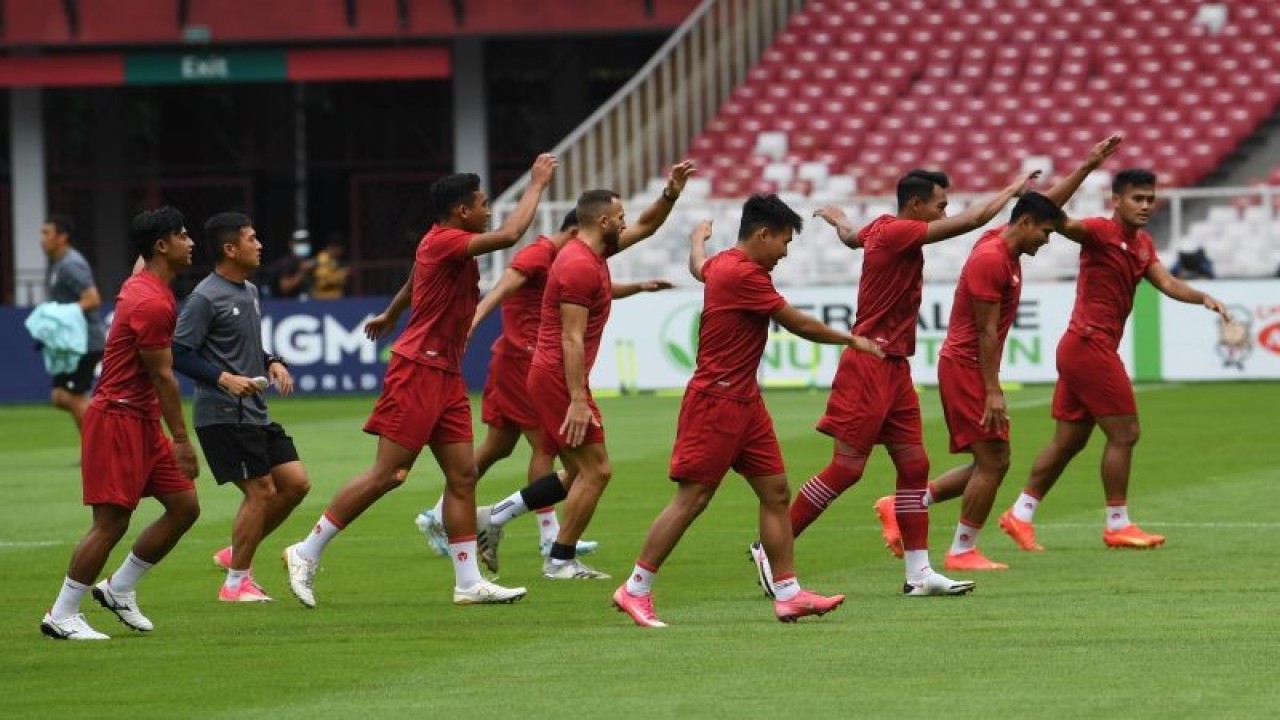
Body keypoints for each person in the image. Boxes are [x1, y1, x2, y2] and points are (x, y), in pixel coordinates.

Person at [282, 153, 558, 608]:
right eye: (483, 203)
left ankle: (467, 583)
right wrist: (537, 184)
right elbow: (511, 235)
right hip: (419, 369)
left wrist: (392, 312)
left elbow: (415, 278)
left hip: (446, 374)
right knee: (389, 473)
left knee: (464, 476)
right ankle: (305, 550)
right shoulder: (447, 241)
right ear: (461, 211)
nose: (488, 210)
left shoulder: (442, 243)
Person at [755, 167, 1039, 598]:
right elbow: (974, 221)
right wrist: (1013, 189)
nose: (945, 211)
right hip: (868, 362)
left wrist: (838, 220)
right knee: (847, 468)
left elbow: (853, 238)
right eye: (939, 204)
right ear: (915, 205)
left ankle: (919, 574)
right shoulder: (900, 232)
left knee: (914, 467)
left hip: (894, 366)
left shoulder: (881, 229)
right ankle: (772, 543)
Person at [613, 196, 883, 628]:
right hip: (716, 402)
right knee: (693, 498)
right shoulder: (744, 274)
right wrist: (852, 340)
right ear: (762, 234)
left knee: (775, 492)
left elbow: (697, 266)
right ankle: (635, 588)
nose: (785, 252)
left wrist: (696, 239)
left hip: (746, 403)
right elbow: (798, 323)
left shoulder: (721, 263)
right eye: (784, 242)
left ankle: (789, 593)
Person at [415, 161, 694, 570]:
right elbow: (567, 333)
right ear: (600, 222)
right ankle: (557, 555)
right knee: (590, 470)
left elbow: (648, 226)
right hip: (548, 372)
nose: (626, 222)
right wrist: (578, 397)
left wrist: (670, 193)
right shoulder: (564, 259)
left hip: (547, 370)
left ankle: (494, 517)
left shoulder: (592, 253)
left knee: (557, 462)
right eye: (619, 217)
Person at [878, 137, 1122, 571]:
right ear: (1025, 224)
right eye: (1045, 232)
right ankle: (961, 550)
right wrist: (993, 391)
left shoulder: (1005, 241)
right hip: (968, 367)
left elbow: (1044, 205)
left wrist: (1087, 165)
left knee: (989, 460)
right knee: (995, 460)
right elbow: (987, 332)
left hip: (969, 366)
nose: (1048, 239)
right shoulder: (991, 259)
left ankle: (904, 506)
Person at [998, 168, 1230, 552]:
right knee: (1125, 433)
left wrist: (1202, 297)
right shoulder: (1098, 231)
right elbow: (1057, 218)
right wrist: (1087, 165)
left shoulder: (1142, 244)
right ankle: (1117, 524)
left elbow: (1169, 283)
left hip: (1084, 347)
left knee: (1069, 441)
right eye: (1137, 198)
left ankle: (1020, 514)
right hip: (1089, 346)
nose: (1145, 205)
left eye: (1150, 199)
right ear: (1116, 201)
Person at [39, 207, 201, 640]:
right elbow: (162, 375)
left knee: (185, 507)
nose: (191, 242)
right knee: (111, 524)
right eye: (183, 235)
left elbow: (136, 272)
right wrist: (182, 440)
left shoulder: (143, 283)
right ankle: (62, 613)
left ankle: (119, 588)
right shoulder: (151, 301)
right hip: (119, 419)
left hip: (141, 420)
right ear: (162, 246)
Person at [171, 211, 311, 602]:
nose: (260, 244)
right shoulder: (204, 297)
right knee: (261, 491)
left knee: (296, 484)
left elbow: (245, 347)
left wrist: (272, 360)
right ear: (230, 249)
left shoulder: (248, 290)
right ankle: (236, 583)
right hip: (222, 414)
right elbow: (178, 352)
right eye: (252, 239)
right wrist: (223, 378)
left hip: (253, 411)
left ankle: (237, 550)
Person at [40, 214, 105, 433]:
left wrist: (57, 314)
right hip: (69, 343)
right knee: (61, 396)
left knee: (70, 396)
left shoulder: (71, 264)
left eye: (46, 233)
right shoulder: (56, 263)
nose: (42, 239)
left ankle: (103, 447)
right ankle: (93, 448)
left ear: (62, 237)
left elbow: (92, 299)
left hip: (84, 342)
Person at [270, 230, 315, 299]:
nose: (303, 244)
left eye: (305, 242)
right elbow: (285, 288)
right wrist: (302, 271)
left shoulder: (310, 261)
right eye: (299, 242)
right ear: (291, 244)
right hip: (285, 305)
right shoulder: (285, 263)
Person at [310, 235, 349, 300]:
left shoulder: (337, 260)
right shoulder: (322, 259)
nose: (340, 250)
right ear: (330, 247)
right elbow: (323, 282)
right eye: (337, 247)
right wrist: (339, 275)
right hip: (322, 298)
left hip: (336, 298)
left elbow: (343, 282)